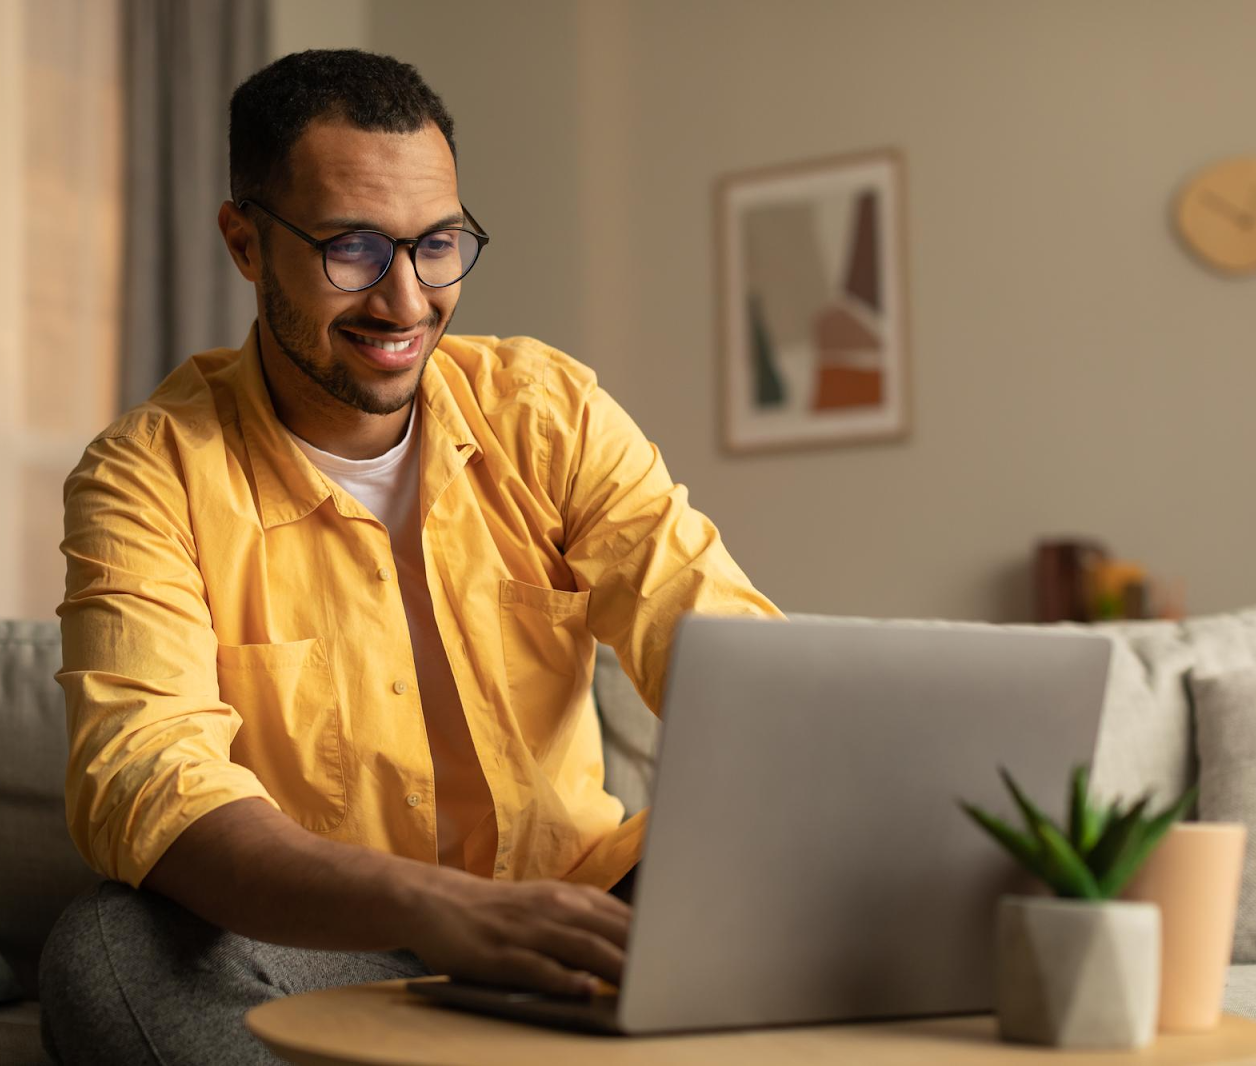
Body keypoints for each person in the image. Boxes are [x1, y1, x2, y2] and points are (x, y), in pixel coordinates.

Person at [38, 48, 779, 1065]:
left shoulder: (546, 413)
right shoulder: (146, 472)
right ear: (245, 243)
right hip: (321, 942)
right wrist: (438, 908)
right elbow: (147, 779)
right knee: (109, 952)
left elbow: (731, 662)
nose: (405, 301)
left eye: (437, 245)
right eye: (352, 248)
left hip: (573, 907)